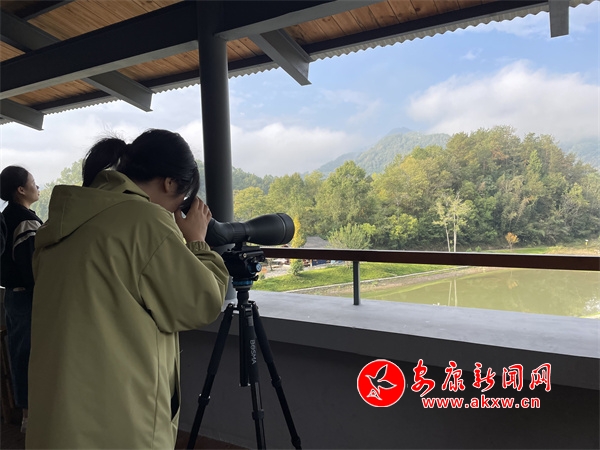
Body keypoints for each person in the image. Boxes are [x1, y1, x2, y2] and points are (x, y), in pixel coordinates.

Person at [26, 129, 229, 449]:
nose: (177, 213)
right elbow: (202, 302)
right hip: (119, 416)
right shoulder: (144, 220)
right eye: (182, 202)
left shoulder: (65, 219)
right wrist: (197, 242)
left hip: (58, 411)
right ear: (170, 183)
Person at [0, 166, 43, 433]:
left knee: (20, 353)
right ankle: (30, 417)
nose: (37, 187)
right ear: (21, 190)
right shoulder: (25, 221)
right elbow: (33, 269)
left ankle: (28, 414)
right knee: (28, 354)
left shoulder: (6, 217)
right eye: (33, 183)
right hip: (27, 297)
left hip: (13, 297)